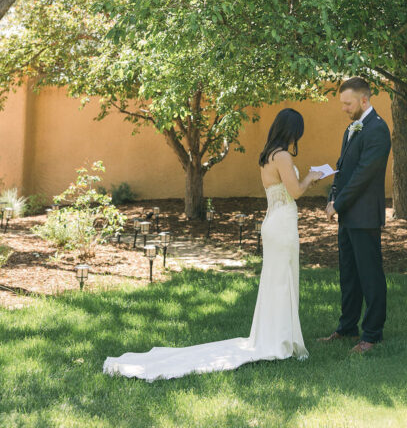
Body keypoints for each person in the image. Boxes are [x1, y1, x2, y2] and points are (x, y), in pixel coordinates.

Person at [103, 108, 324, 381]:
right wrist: (311, 178)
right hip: (282, 225)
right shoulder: (283, 156)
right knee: (284, 280)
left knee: (276, 281)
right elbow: (295, 192)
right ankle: (279, 342)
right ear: (292, 130)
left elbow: (284, 190)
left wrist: (303, 182)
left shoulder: (268, 156)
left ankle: (276, 337)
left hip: (274, 222)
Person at [318, 77, 392, 354]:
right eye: (342, 103)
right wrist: (333, 197)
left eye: (348, 103)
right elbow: (343, 168)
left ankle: (372, 334)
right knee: (348, 274)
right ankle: (347, 327)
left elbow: (363, 175)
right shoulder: (353, 128)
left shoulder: (378, 130)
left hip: (364, 215)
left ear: (364, 100)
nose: (344, 108)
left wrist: (339, 204)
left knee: (369, 275)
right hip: (348, 214)